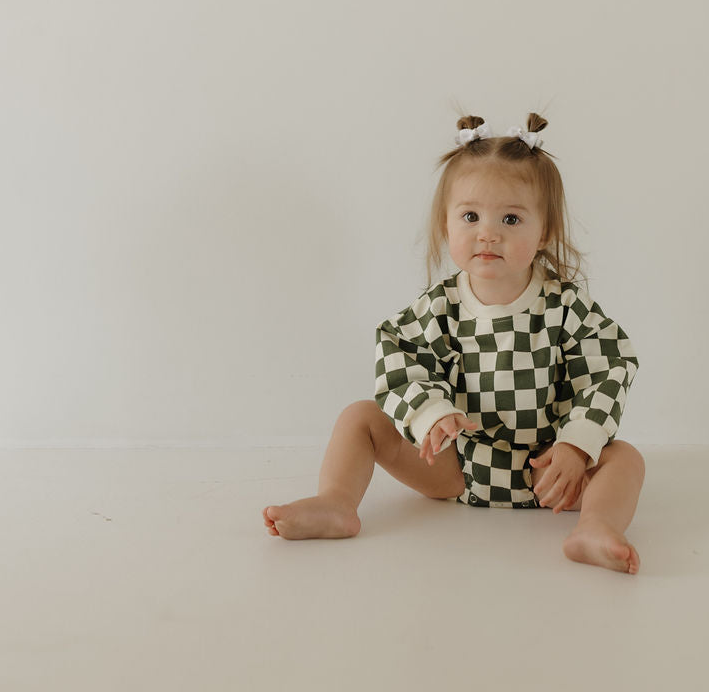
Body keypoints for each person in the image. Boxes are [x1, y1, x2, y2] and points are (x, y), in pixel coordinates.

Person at [263, 112, 645, 574]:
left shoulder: (564, 307)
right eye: (470, 216)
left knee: (624, 458)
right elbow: (398, 354)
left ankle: (596, 526)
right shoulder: (440, 306)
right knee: (360, 417)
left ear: (544, 233)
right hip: (455, 467)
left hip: (549, 472)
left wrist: (577, 447)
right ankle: (336, 502)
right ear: (447, 226)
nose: (488, 232)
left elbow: (608, 367)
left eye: (511, 218)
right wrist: (430, 413)